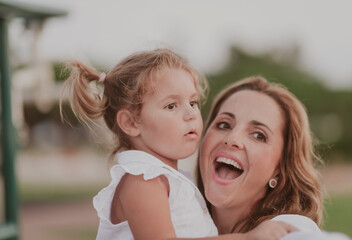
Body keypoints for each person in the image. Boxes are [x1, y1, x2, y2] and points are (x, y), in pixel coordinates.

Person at [60, 49, 297, 240]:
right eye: (171, 106)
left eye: (193, 102)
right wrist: (247, 239)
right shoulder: (142, 181)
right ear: (131, 123)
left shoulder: (169, 180)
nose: (191, 114)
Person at [198, 76, 351, 240]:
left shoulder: (286, 229)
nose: (232, 139)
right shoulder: (175, 215)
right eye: (224, 124)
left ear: (280, 169)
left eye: (258, 135)